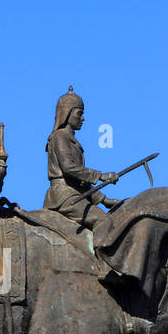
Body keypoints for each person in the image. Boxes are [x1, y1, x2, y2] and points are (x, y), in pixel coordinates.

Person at [42, 86, 122, 229]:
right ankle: (103, 251)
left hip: (74, 194)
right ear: (67, 114)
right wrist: (101, 176)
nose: (83, 118)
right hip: (64, 197)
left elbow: (79, 182)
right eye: (79, 114)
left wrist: (103, 200)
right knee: (103, 221)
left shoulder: (70, 139)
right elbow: (69, 169)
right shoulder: (60, 137)